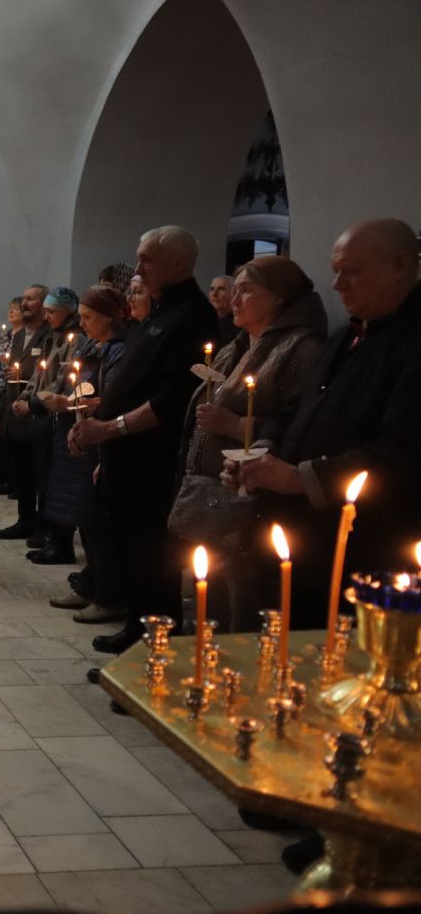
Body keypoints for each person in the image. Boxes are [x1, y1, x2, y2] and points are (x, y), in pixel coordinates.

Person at [225, 218, 421, 631]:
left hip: (368, 548)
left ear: (400, 266)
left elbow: (401, 453)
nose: (337, 285)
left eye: (350, 271)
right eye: (335, 271)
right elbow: (293, 410)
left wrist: (298, 478)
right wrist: (259, 454)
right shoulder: (344, 336)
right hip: (308, 540)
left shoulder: (411, 342)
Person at [70, 225, 218, 661]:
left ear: (177, 263)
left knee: (154, 565)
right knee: (130, 558)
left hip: (153, 465)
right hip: (124, 461)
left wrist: (108, 429)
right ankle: (135, 630)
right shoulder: (158, 312)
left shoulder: (192, 315)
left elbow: (170, 401)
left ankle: (152, 657)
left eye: (147, 259)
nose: (138, 268)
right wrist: (97, 430)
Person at [170, 255, 327, 633]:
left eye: (246, 291)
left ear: (278, 298)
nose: (234, 300)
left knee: (244, 600)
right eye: (234, 291)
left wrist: (237, 424)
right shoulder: (238, 343)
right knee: (213, 596)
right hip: (212, 489)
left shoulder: (301, 348)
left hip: (252, 499)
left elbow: (299, 424)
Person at [47, 285, 131, 624]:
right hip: (80, 435)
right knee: (85, 519)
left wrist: (69, 403)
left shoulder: (121, 350)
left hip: (101, 439)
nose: (81, 324)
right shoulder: (94, 344)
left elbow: (113, 399)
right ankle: (90, 584)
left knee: (99, 525)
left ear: (108, 316)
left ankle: (108, 594)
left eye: (87, 317)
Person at [14, 287, 81, 564]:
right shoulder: (53, 336)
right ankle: (42, 529)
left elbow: (64, 378)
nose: (47, 315)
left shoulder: (75, 338)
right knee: (38, 474)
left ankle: (52, 534)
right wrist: (24, 395)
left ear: (68, 310)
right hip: (43, 411)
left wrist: (35, 403)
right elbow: (41, 372)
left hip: (58, 414)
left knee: (51, 479)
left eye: (52, 311)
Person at [0, 285, 50, 539]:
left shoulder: (49, 334)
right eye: (24, 299)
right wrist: (0, 414)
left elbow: (47, 373)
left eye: (31, 299)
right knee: (21, 473)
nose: (25, 303)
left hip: (37, 414)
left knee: (41, 474)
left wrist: (23, 375)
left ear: (43, 304)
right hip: (14, 410)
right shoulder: (17, 336)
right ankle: (24, 520)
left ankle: (43, 525)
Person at [0, 297, 25, 494]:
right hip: (1, 389)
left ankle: (17, 482)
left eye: (15, 309)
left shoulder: (24, 336)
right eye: (9, 308)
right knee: (2, 437)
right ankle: (7, 479)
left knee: (14, 437)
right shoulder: (7, 335)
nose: (11, 312)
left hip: (17, 390)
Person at [208, 274, 238, 345]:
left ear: (234, 293)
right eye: (212, 289)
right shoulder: (202, 321)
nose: (214, 294)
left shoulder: (239, 325)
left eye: (221, 289)